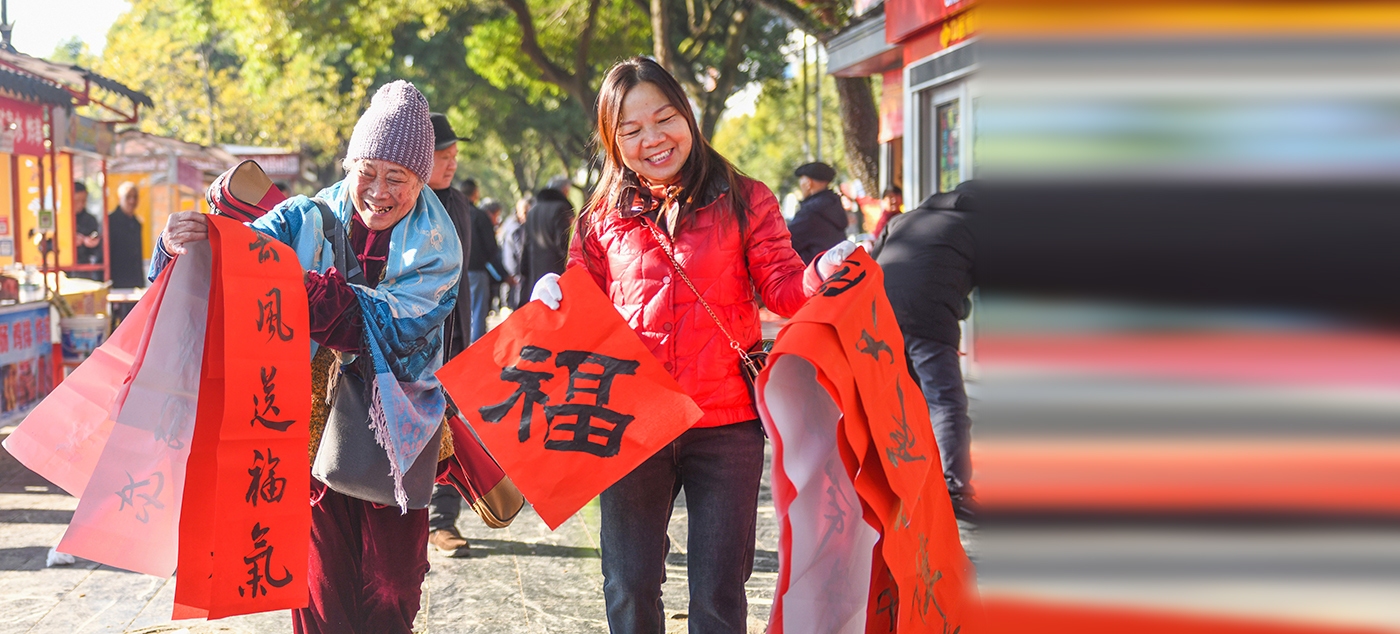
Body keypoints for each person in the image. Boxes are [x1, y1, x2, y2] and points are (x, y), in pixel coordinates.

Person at [531, 57, 854, 634]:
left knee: (718, 596)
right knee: (629, 588)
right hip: (631, 425)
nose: (653, 139)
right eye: (630, 131)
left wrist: (819, 276)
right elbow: (584, 307)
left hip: (726, 424)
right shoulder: (600, 219)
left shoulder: (745, 198)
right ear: (612, 140)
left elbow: (782, 287)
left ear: (688, 113)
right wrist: (552, 294)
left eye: (664, 118)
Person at [157, 80, 461, 634]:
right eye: (367, 170)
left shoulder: (440, 248)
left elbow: (396, 327)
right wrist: (186, 242)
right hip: (307, 425)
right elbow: (233, 259)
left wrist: (301, 291)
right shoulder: (304, 216)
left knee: (394, 587)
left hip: (401, 434)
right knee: (319, 589)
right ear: (348, 164)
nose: (378, 190)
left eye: (398, 178)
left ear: (423, 179)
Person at [871, 182, 977, 522]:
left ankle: (894, 480)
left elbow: (873, 262)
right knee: (945, 401)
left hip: (879, 316)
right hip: (929, 318)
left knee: (898, 398)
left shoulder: (906, 219)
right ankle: (955, 489)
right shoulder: (979, 226)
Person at [426, 113, 475, 558]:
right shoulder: (406, 201)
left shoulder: (458, 204)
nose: (451, 163)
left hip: (455, 340)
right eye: (443, 155)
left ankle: (442, 521)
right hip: (408, 345)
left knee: (451, 430)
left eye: (455, 155)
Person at [517, 175, 574, 308]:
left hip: (535, 270)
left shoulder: (533, 210)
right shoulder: (561, 209)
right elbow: (563, 243)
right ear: (565, 190)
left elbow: (526, 244)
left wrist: (524, 270)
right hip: (555, 271)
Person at [464, 190, 508, 341]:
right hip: (476, 270)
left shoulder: (457, 211)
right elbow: (491, 249)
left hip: (458, 269)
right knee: (478, 310)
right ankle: (475, 347)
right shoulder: (479, 216)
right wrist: (504, 274)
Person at [786, 161, 846, 264]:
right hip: (835, 271)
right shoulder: (833, 204)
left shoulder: (810, 212)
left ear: (808, 183)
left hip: (814, 273)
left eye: (801, 180)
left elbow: (786, 242)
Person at [108, 181, 146, 288]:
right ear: (120, 198)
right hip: (116, 282)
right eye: (128, 197)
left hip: (134, 282)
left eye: (135, 197)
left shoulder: (136, 223)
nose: (132, 201)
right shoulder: (110, 222)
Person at [499, 195, 531, 308]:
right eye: (525, 212)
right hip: (516, 271)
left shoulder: (509, 224)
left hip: (511, 268)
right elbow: (520, 251)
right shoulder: (516, 228)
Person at [72, 182, 103, 281]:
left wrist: (92, 243)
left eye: (83, 201)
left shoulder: (90, 220)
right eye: (77, 201)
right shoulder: (61, 219)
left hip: (84, 270)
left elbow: (98, 250)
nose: (80, 204)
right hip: (62, 271)